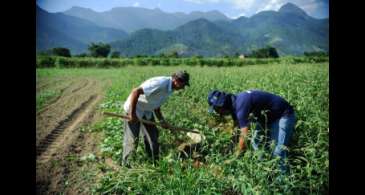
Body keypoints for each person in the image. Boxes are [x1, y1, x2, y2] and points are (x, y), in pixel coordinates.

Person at [207, 89, 296, 172]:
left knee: (278, 152)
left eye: (216, 109)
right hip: (266, 117)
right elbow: (237, 129)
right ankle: (265, 170)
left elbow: (244, 135)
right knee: (256, 142)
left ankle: (282, 183)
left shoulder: (240, 105)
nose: (218, 113)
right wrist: (230, 146)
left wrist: (235, 156)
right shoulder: (233, 105)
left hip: (283, 115)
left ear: (222, 104)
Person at [122, 70, 190, 167]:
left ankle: (154, 163)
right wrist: (132, 114)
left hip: (147, 110)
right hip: (135, 109)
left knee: (153, 138)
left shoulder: (170, 89)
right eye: (183, 85)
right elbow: (135, 91)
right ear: (177, 80)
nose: (183, 88)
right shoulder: (160, 83)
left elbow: (156, 105)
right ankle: (126, 167)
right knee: (132, 140)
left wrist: (162, 121)